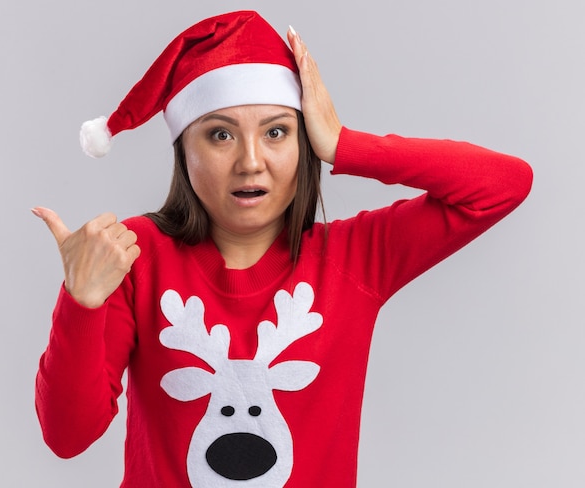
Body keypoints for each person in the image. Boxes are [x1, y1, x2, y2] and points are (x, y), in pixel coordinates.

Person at [32, 10, 533, 488]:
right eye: (220, 134)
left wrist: (343, 144)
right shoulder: (137, 256)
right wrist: (82, 302)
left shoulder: (354, 258)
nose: (251, 162)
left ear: (304, 145)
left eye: (277, 132)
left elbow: (505, 183)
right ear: (184, 149)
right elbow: (68, 437)